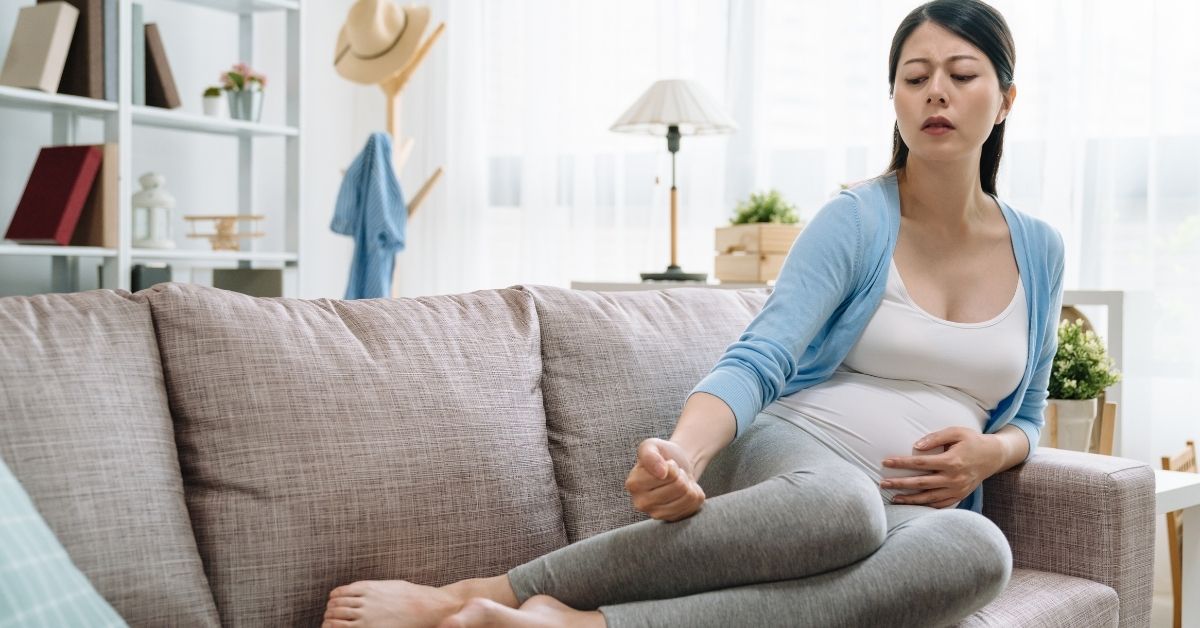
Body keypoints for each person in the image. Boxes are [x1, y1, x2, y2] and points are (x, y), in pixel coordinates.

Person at [322, 0, 1065, 626]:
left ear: (1003, 100)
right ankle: (476, 594)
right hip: (800, 463)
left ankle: (577, 624)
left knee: (978, 550)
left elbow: (1026, 415)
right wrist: (685, 451)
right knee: (843, 509)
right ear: (895, 100)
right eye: (915, 77)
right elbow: (761, 356)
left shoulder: (1040, 249)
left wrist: (991, 453)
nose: (936, 92)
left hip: (910, 509)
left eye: (962, 75)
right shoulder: (856, 220)